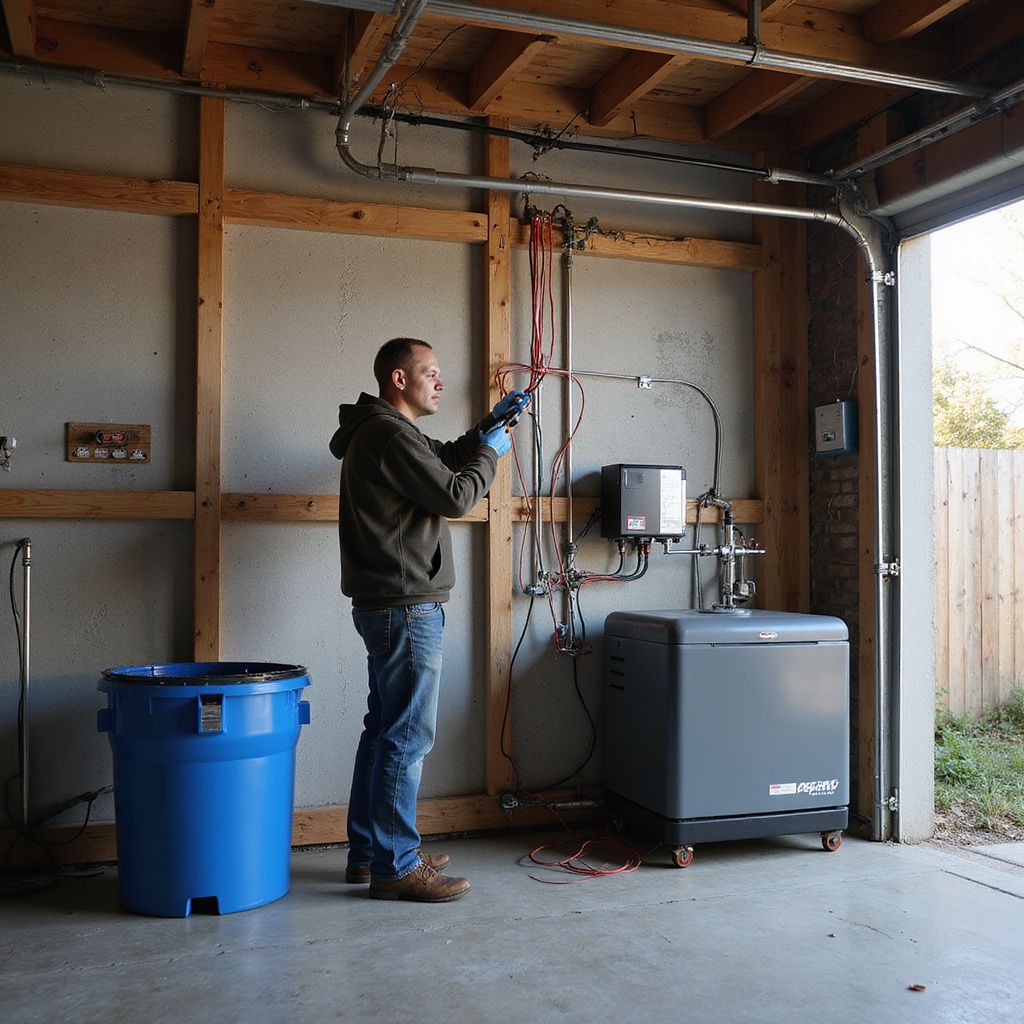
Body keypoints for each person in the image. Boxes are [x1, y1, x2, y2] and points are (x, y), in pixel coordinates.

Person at [329, 337, 529, 902]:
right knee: (406, 736)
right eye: (431, 373)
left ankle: (372, 853)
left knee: (384, 729)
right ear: (399, 379)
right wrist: (491, 453)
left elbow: (441, 460)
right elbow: (456, 495)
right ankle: (396, 865)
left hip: (388, 604)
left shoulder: (387, 433)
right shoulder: (389, 434)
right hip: (406, 605)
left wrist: (487, 427)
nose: (441, 383)